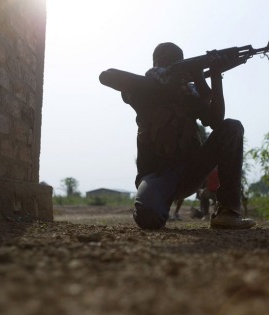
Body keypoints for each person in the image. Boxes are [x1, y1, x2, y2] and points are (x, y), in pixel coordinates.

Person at [99, 42, 255, 230]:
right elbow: (106, 76)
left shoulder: (188, 93)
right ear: (157, 65)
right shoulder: (143, 91)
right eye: (166, 62)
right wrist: (165, 82)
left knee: (232, 127)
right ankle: (154, 204)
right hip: (156, 177)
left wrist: (215, 75)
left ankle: (227, 212)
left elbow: (216, 121)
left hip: (191, 172)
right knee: (149, 218)